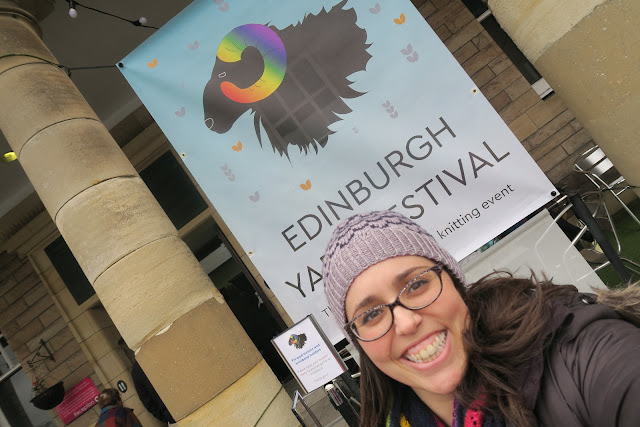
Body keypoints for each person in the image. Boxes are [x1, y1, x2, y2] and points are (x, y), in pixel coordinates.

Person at [322, 210, 640, 427]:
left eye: (416, 285)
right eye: (371, 315)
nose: (406, 323)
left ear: (454, 283)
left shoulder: (576, 352)